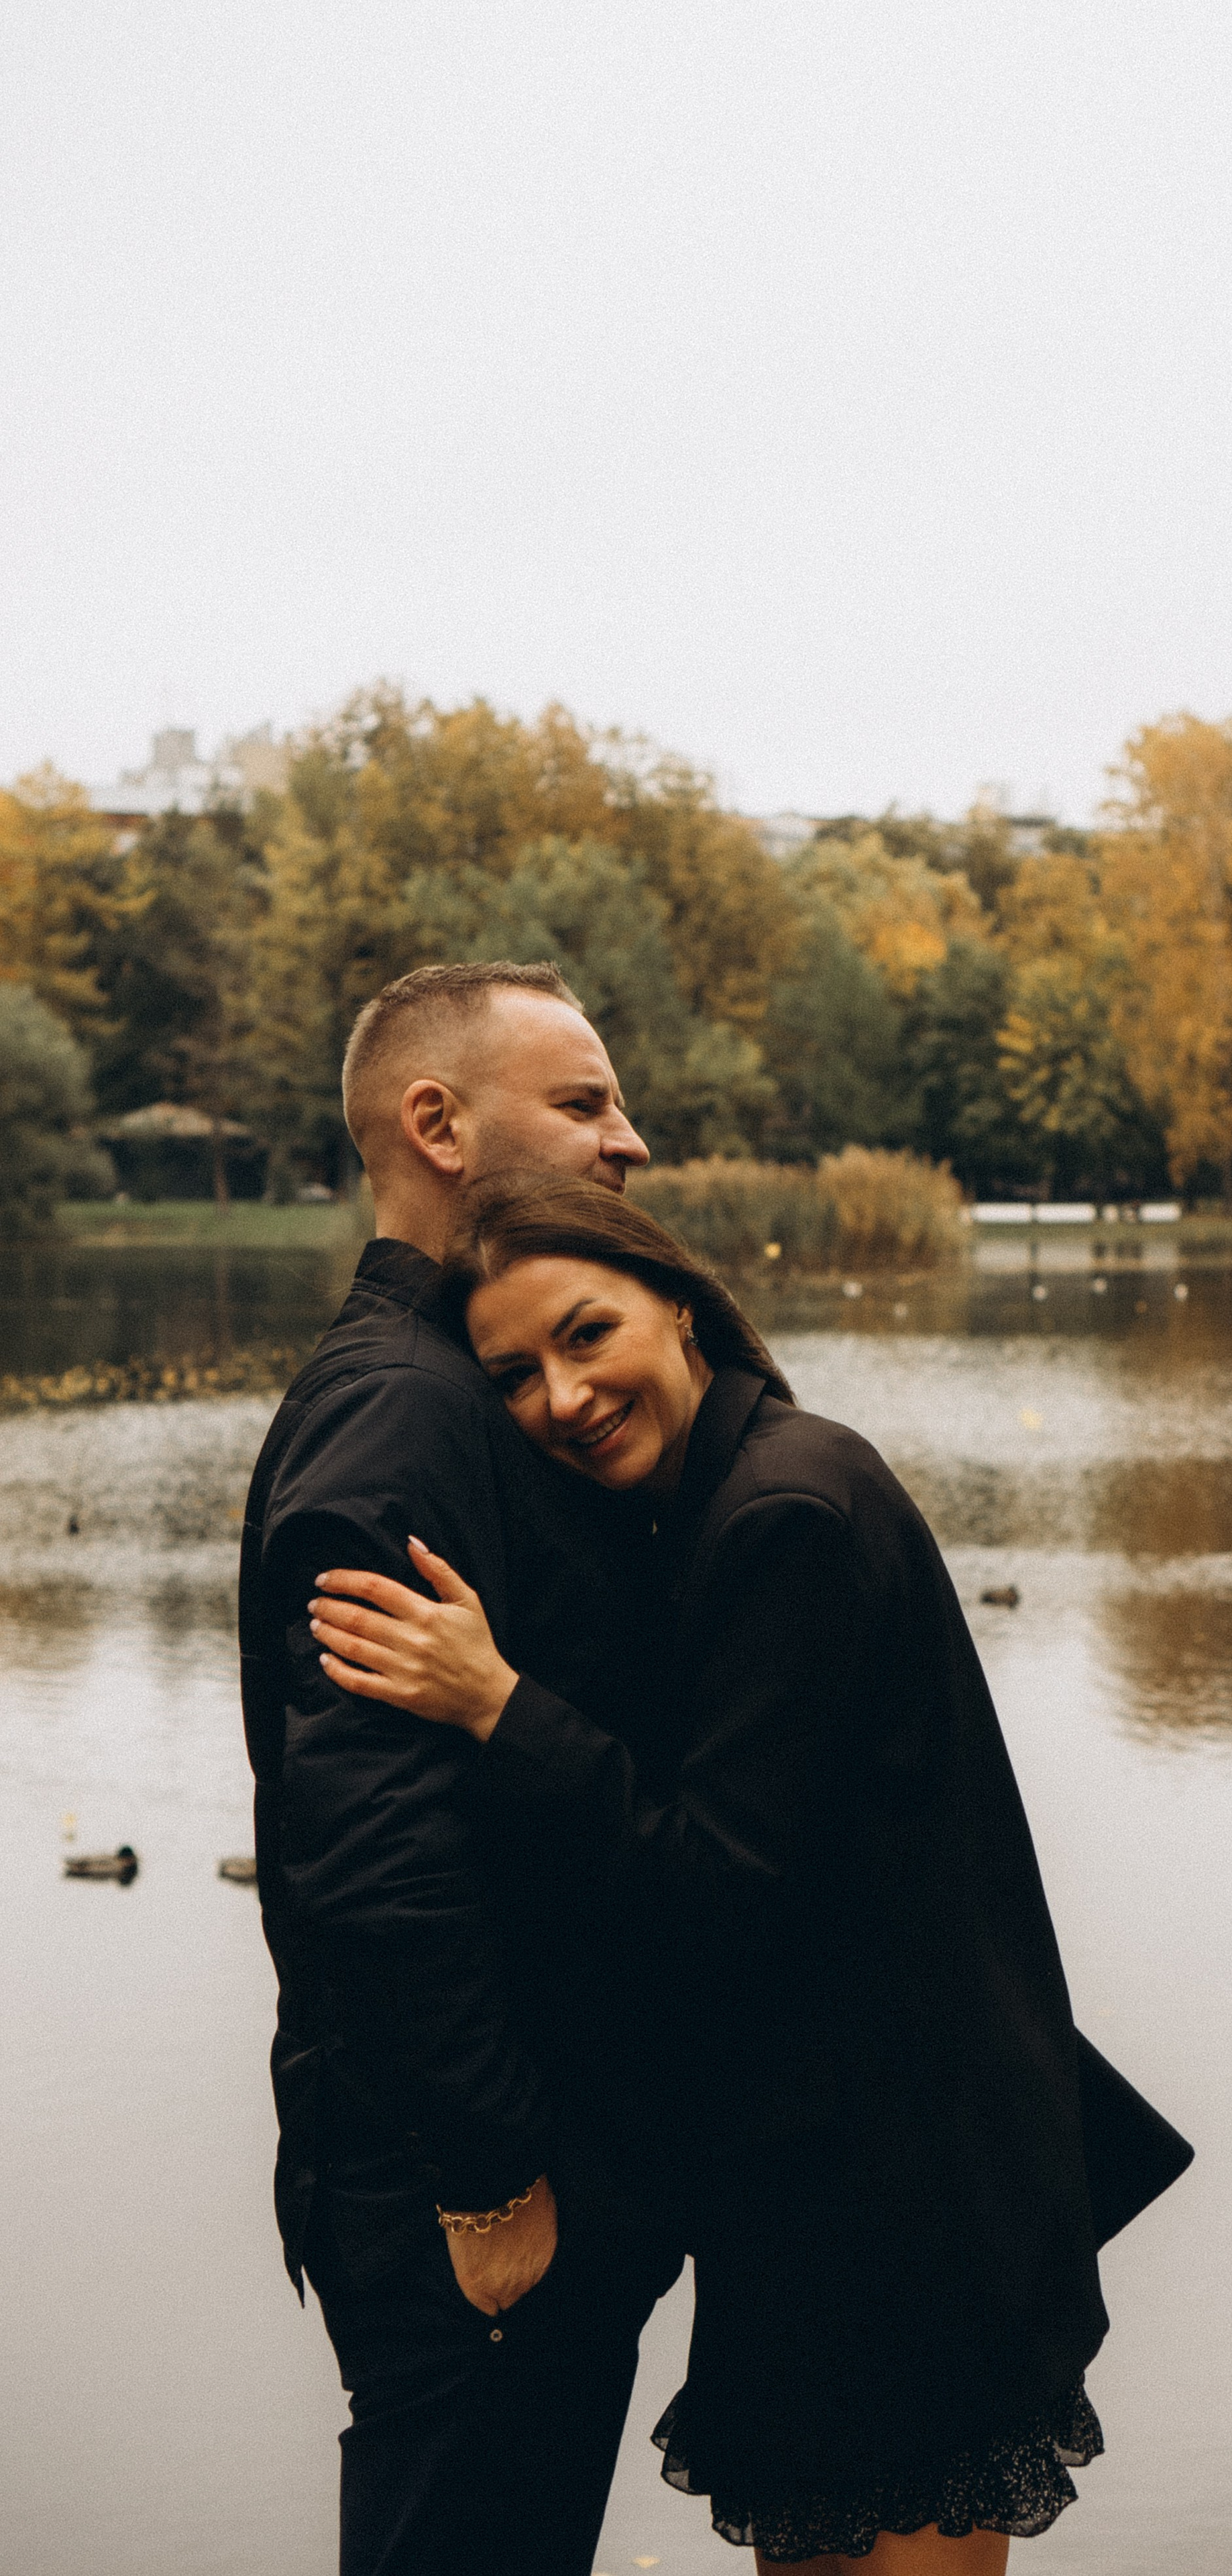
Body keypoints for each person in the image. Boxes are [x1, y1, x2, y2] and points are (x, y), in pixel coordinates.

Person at [306, 1177, 1194, 2575]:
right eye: (516, 1377)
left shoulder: (788, 1514)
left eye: (587, 1333)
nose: (562, 1394)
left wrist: (496, 1704)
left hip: (909, 2195)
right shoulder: (705, 1507)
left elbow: (719, 1886)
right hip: (812, 2186)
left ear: (676, 1300)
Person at [239, 963, 683, 2576]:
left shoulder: (458, 1388)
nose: (627, 1141)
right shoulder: (402, 1415)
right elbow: (364, 1840)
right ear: (436, 1123)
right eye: (581, 1103)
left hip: (501, 2169)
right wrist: (498, 2184)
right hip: (467, 2195)